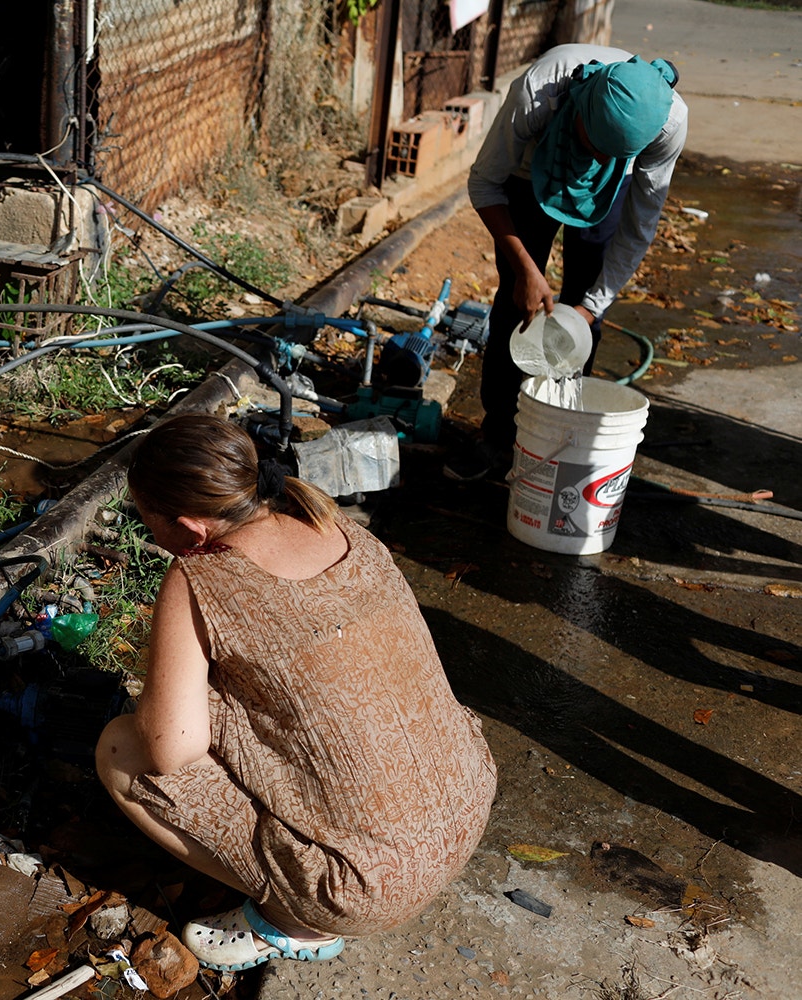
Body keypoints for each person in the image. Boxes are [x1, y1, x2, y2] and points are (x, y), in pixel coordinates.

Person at [97, 414, 496, 971]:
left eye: (148, 521)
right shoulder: (342, 528)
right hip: (466, 803)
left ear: (190, 529)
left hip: (360, 888)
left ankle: (290, 919)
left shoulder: (198, 577)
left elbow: (171, 751)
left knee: (123, 750)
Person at [454, 44, 687, 480]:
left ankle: (560, 435)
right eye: (592, 145)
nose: (595, 161)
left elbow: (638, 229)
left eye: (609, 155)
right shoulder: (540, 91)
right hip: (531, 173)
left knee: (585, 307)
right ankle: (498, 436)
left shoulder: (668, 124)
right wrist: (525, 268)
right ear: (578, 111)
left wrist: (591, 308)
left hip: (612, 189)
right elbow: (484, 182)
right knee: (516, 304)